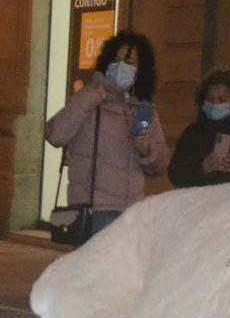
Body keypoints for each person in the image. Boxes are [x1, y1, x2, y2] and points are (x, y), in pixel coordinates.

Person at [43, 30, 169, 241]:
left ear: (141, 69)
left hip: (131, 212)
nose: (121, 66)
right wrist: (91, 95)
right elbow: (56, 134)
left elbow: (160, 165)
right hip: (95, 210)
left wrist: (147, 150)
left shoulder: (143, 110)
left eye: (129, 61)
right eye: (116, 59)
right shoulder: (90, 100)